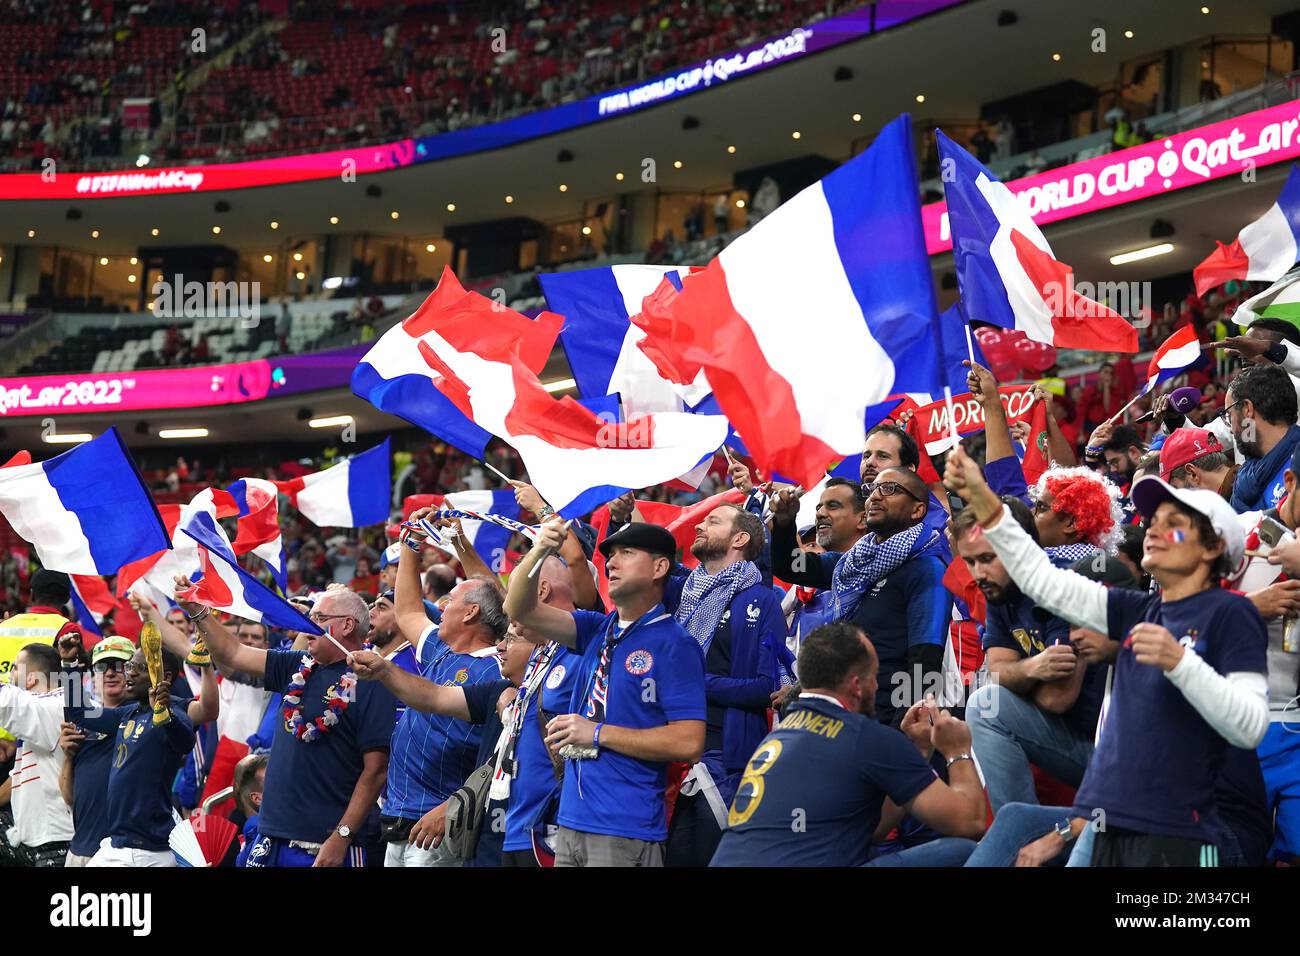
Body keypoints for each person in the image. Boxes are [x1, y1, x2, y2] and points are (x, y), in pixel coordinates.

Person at [945, 445, 1269, 866]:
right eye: (1153, 520)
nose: (1152, 529)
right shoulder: (1138, 611)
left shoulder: (1232, 613)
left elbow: (1249, 727)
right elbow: (1041, 580)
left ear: (1213, 548)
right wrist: (985, 503)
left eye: (1174, 524)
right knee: (1016, 821)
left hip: (1197, 833)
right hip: (1121, 820)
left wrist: (1181, 663)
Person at [505, 519, 706, 867]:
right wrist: (538, 551)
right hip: (569, 822)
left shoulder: (675, 644)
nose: (611, 562)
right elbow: (518, 609)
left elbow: (689, 742)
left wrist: (596, 733)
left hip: (625, 827)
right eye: (610, 555)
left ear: (659, 567)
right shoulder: (595, 628)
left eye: (626, 553)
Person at [710, 622, 986, 866]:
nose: (877, 687)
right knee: (972, 843)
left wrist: (918, 751)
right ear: (857, 685)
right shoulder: (865, 737)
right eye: (874, 676)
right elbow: (970, 823)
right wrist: (957, 750)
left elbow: (870, 830)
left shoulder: (775, 740)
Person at [174, 580, 397, 867]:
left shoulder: (373, 681)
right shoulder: (296, 665)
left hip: (321, 844)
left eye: (318, 618)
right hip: (271, 836)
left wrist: (342, 837)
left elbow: (375, 772)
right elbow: (232, 653)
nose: (307, 624)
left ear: (347, 626)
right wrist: (198, 611)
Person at [771, 466, 950, 725]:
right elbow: (792, 566)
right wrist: (785, 524)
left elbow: (925, 658)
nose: (875, 496)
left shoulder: (927, 568)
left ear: (917, 510)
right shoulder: (853, 563)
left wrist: (904, 729)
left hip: (884, 719)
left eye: (889, 489)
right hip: (841, 715)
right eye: (872, 489)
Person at [956, 503, 1105, 813]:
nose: (978, 574)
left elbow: (1057, 698)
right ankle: (1020, 824)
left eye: (987, 558)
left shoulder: (1066, 586)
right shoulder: (999, 590)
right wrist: (1034, 668)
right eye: (969, 561)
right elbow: (995, 671)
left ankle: (1022, 826)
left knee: (986, 707)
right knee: (988, 700)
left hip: (1115, 755)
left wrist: (1017, 677)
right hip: (1073, 740)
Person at [382, 519, 506, 867]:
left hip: (441, 822)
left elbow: (500, 752)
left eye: (449, 600)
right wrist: (411, 544)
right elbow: (406, 610)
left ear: (471, 612)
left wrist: (452, 805)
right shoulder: (441, 648)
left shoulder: (499, 669)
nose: (441, 606)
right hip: (400, 814)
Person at [666, 503, 784, 867]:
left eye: (712, 521)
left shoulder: (763, 600)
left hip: (724, 758)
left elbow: (769, 687)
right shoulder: (683, 591)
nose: (700, 525)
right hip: (669, 752)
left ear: (740, 538)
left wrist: (697, 684)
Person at [75, 646, 195, 867]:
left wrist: (164, 714)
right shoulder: (127, 713)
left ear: (164, 676)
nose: (129, 673)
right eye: (129, 666)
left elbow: (186, 742)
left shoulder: (175, 714)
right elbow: (77, 713)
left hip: (148, 852)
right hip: (115, 845)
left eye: (138, 668)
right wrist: (69, 665)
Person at [0, 643, 73, 866]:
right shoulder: (45, 713)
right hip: (41, 837)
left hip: (58, 841)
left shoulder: (52, 707)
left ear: (31, 679)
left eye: (14, 669)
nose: (10, 675)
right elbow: (18, 778)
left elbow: (6, 701)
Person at [787, 478, 868, 659]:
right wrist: (784, 522)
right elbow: (789, 565)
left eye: (833, 506)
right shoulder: (810, 582)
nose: (820, 514)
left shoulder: (878, 572)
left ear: (862, 518)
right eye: (818, 508)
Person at [1226, 362, 1300, 513]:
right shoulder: (1243, 482)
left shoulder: (1296, 465)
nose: (1231, 431)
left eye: (1229, 415)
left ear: (1247, 409)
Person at [1161, 427, 1236, 499]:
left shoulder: (1240, 500)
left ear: (1193, 474)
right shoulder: (1242, 483)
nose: (1177, 499)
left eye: (1175, 488)